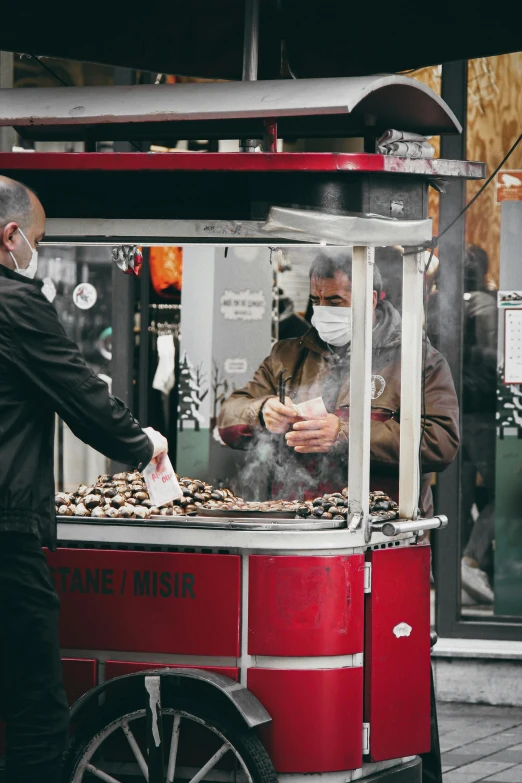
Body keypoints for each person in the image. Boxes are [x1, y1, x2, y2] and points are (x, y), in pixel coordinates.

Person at [0, 176, 169, 783]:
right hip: (5, 534)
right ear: (12, 235)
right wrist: (143, 444)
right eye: (37, 240)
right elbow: (78, 392)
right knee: (36, 713)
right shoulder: (13, 302)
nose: (35, 252)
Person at [218, 250, 459, 517]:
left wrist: (346, 433)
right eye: (316, 300)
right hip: (298, 520)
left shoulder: (417, 360)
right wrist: (262, 412)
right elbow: (230, 416)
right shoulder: (287, 355)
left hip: (381, 528)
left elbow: (441, 441)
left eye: (335, 301)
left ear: (370, 300)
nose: (323, 310)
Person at [460, 245, 497, 605]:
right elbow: (494, 361)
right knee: (506, 494)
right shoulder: (486, 305)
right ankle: (471, 559)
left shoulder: (444, 302)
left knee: (460, 494)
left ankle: (464, 562)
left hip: (454, 411)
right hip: (483, 414)